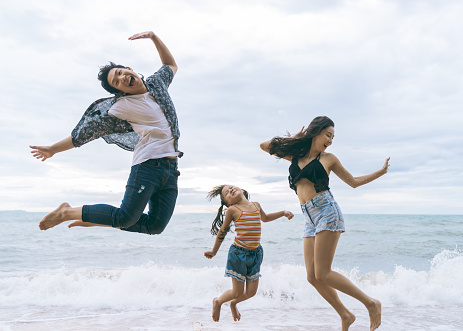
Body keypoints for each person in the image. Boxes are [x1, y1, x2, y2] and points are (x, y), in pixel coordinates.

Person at [29, 31, 182, 235]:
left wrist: (154, 37)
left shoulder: (157, 83)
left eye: (120, 73)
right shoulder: (121, 106)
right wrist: (53, 149)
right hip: (148, 166)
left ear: (129, 69)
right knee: (125, 218)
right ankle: (67, 212)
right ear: (121, 92)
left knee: (156, 226)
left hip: (171, 168)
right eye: (116, 82)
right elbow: (86, 133)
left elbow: (171, 65)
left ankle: (98, 219)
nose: (121, 78)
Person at [260, 116, 389, 331]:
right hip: (308, 217)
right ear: (315, 132)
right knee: (312, 277)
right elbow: (265, 146)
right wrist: (295, 137)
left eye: (333, 137)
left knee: (323, 273)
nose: (330, 140)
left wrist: (380, 172)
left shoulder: (329, 159)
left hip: (327, 212)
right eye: (328, 135)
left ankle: (371, 303)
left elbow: (354, 182)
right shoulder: (294, 155)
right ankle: (345, 315)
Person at [204, 184, 294, 322]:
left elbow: (265, 218)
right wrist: (214, 251)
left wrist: (282, 213)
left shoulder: (256, 205)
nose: (230, 190)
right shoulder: (233, 210)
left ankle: (233, 303)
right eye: (227, 193)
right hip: (238, 255)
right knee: (237, 292)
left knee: (251, 292)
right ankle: (218, 301)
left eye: (231, 187)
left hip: (256, 254)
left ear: (242, 190)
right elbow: (222, 231)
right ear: (228, 203)